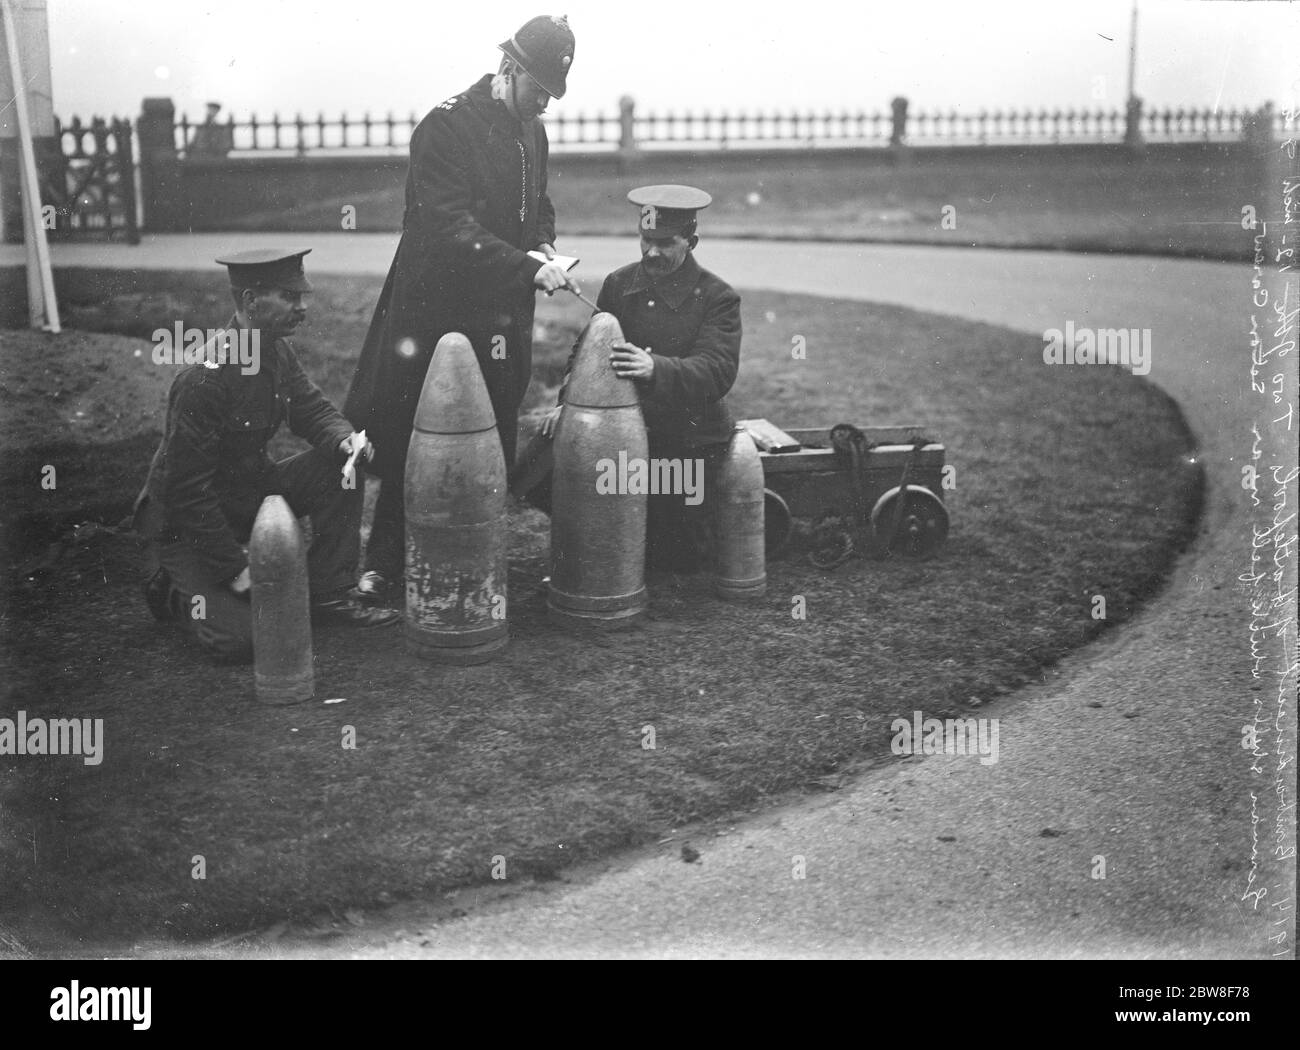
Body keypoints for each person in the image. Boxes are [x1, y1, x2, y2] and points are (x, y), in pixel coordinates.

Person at [344, 15, 578, 605]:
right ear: (509, 70)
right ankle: (387, 564)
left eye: (553, 96)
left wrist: (544, 241)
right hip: (434, 310)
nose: (544, 106)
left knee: (493, 423)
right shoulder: (445, 127)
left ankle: (470, 553)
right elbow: (448, 229)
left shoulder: (532, 130)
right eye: (539, 91)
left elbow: (538, 201)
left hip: (500, 312)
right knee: (413, 431)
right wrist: (528, 268)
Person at [135, 248, 400, 662]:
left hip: (245, 495)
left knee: (339, 468)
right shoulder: (204, 379)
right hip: (185, 524)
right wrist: (234, 572)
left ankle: (328, 593)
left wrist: (346, 440)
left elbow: (310, 407)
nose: (303, 307)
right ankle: (168, 586)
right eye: (290, 297)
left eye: (302, 296)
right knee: (246, 641)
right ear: (251, 302)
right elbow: (186, 491)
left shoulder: (273, 349)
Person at [517, 184, 743, 573]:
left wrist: (657, 368)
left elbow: (717, 371)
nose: (651, 251)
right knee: (535, 470)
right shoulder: (620, 283)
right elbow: (585, 349)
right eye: (645, 239)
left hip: (685, 433)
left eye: (665, 243)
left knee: (672, 557)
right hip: (621, 420)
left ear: (691, 241)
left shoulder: (718, 296)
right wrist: (567, 402)